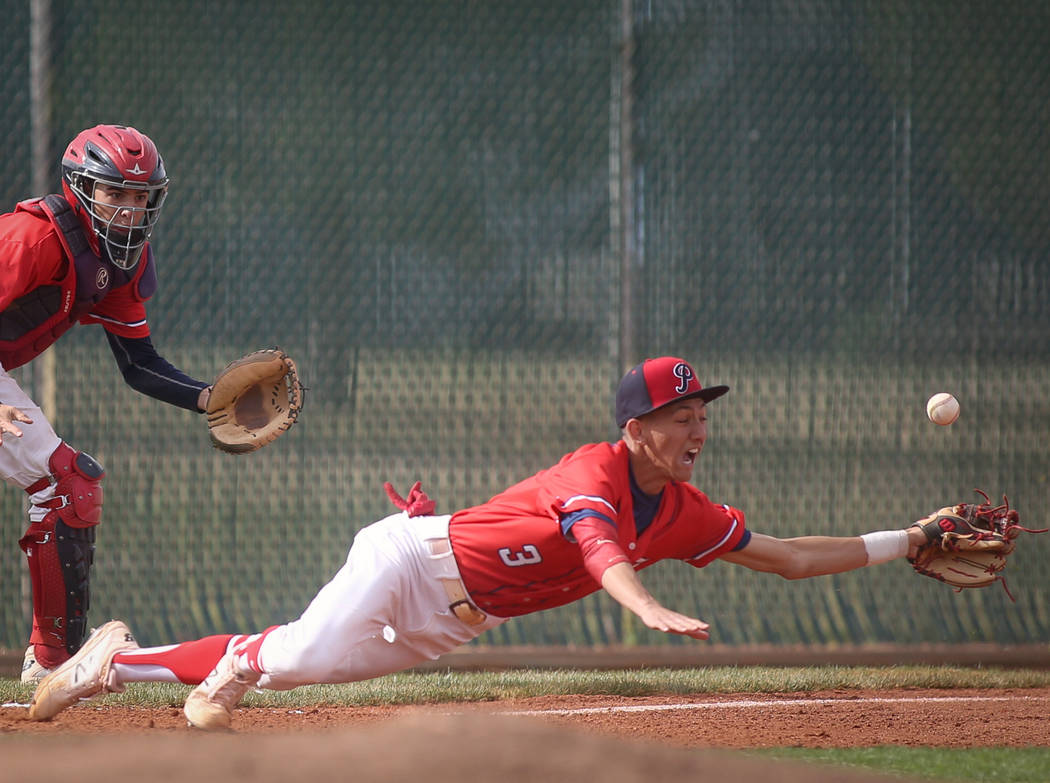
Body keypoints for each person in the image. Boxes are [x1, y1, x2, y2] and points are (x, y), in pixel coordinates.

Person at [28, 356, 935, 730]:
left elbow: (787, 554)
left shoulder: (688, 509)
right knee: (294, 652)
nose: (698, 429)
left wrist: (908, 538)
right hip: (413, 558)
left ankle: (118, 656)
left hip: (454, 621)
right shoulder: (594, 472)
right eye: (680, 415)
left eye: (701, 415)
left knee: (294, 668)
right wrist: (648, 605)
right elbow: (601, 554)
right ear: (635, 430)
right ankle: (120, 665)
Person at [0, 124, 212, 682]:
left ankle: (52, 664)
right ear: (78, 189)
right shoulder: (33, 237)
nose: (127, 210)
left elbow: (139, 364)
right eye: (113, 193)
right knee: (63, 481)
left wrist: (210, 399)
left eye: (139, 197)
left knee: (69, 483)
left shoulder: (121, 262)